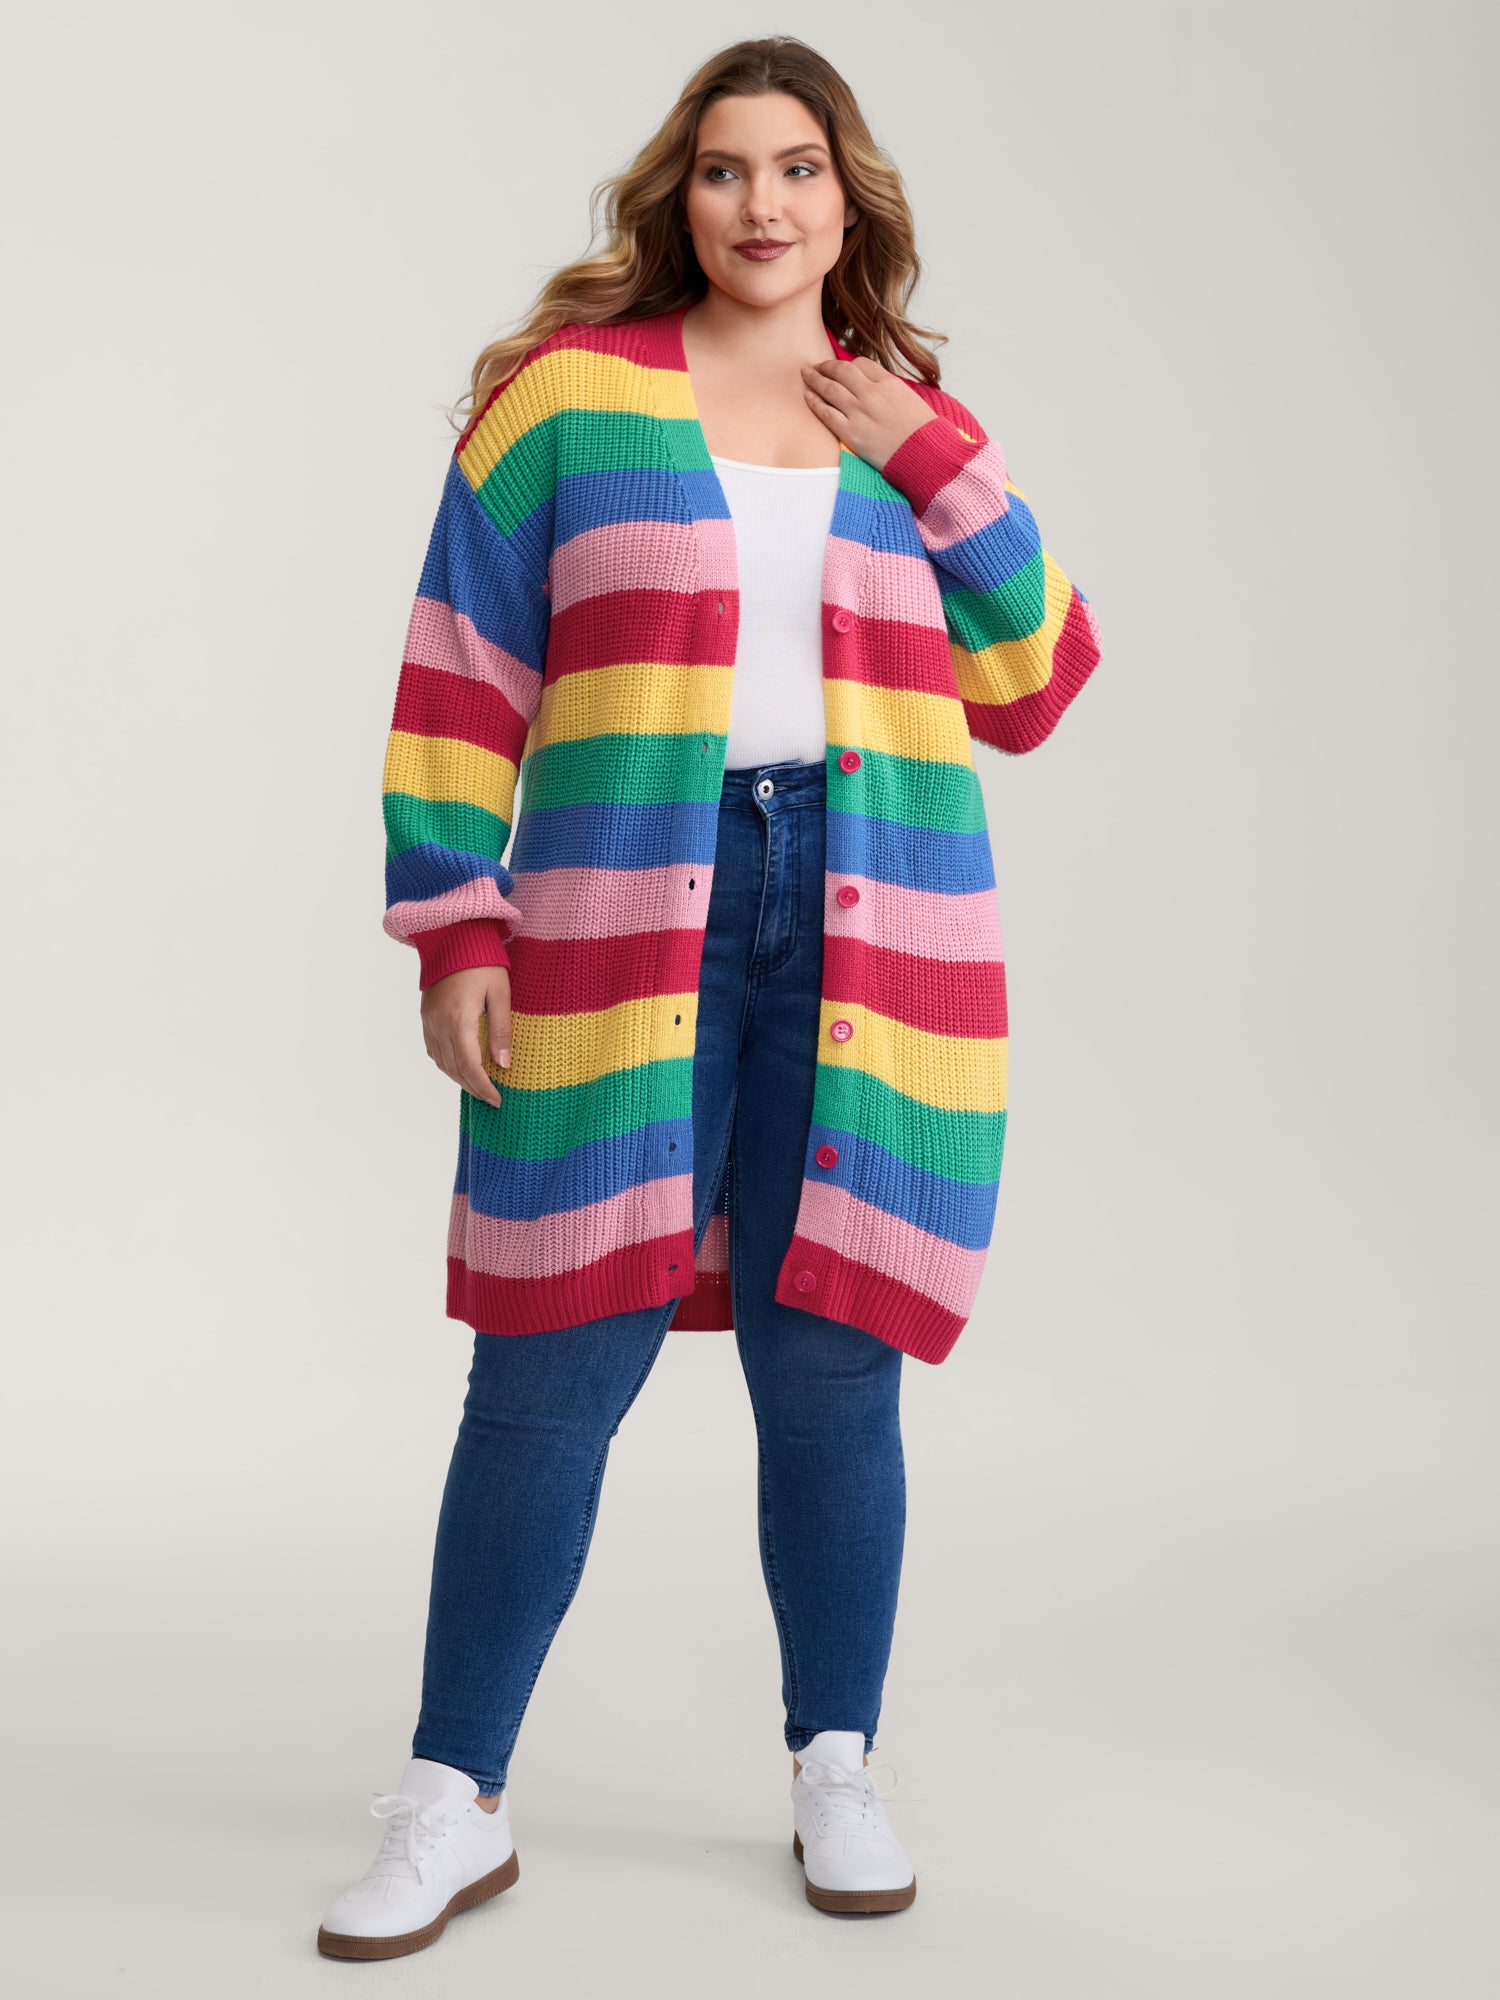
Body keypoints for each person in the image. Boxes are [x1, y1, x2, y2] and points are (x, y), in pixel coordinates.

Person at [317, 34, 1102, 1960]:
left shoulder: (905, 418)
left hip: (870, 927)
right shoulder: (570, 398)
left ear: (850, 197)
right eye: (729, 168)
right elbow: (459, 670)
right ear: (682, 193)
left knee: (829, 1364)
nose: (765, 202)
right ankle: (453, 1797)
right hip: (615, 922)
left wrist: (927, 451)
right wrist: (459, 929)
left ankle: (838, 1760)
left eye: (800, 168)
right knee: (548, 1361)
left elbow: (1037, 683)